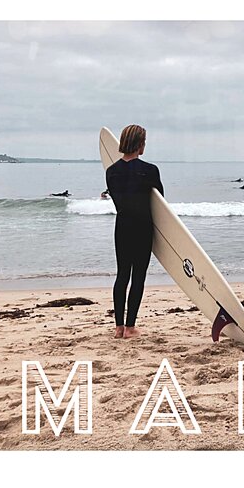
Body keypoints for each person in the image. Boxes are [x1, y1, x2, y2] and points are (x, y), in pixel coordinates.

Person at [105, 124, 163, 338]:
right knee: (138, 276)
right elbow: (160, 203)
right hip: (142, 227)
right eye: (144, 141)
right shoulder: (150, 170)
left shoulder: (111, 172)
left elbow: (118, 200)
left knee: (122, 275)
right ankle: (130, 327)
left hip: (122, 227)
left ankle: (118, 327)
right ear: (140, 143)